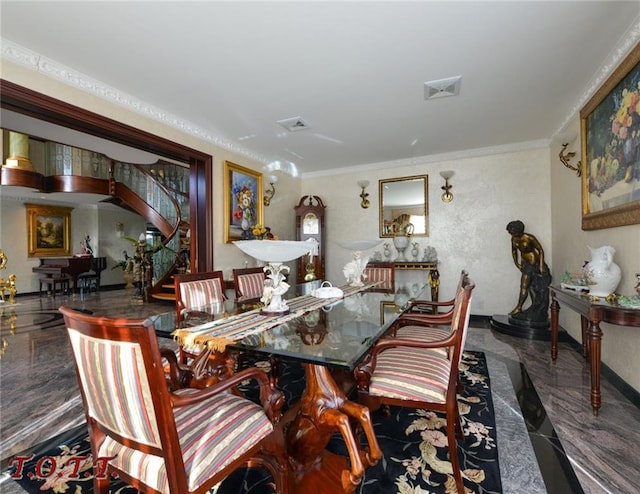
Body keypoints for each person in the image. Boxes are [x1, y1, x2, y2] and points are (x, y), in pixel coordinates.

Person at [506, 220, 552, 322]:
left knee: (530, 286)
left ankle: (527, 308)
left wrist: (540, 265)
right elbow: (514, 251)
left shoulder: (529, 237)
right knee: (527, 286)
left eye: (513, 232)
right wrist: (517, 263)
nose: (512, 234)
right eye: (510, 232)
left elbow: (540, 250)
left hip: (534, 263)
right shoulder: (514, 239)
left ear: (519, 230)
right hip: (525, 264)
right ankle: (524, 307)